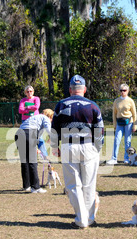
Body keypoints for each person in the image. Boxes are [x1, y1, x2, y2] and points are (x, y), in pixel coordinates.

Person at [51, 75, 104, 229]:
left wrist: (55, 147)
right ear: (85, 90)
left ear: (70, 90)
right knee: (89, 184)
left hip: (69, 146)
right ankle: (90, 218)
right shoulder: (93, 106)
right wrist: (97, 148)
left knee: (73, 185)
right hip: (88, 147)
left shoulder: (61, 105)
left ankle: (81, 219)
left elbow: (54, 128)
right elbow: (99, 129)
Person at [15, 109, 54, 193]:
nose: (51, 120)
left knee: (24, 162)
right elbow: (49, 130)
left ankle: (26, 186)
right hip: (29, 134)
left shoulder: (34, 118)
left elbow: (37, 136)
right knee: (32, 162)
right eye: (52, 118)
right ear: (50, 116)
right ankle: (35, 187)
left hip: (19, 134)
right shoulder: (45, 118)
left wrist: (35, 147)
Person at [107, 84, 137, 165]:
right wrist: (114, 124)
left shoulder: (130, 101)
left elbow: (134, 114)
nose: (122, 92)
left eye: (124, 90)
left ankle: (126, 158)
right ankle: (114, 158)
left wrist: (135, 125)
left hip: (129, 122)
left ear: (128, 91)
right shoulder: (116, 101)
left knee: (127, 141)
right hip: (119, 123)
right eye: (121, 90)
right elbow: (114, 113)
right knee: (117, 140)